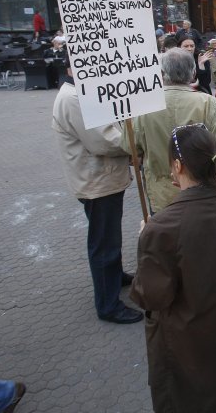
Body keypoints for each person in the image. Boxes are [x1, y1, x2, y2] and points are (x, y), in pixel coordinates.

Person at [130, 125, 216, 413]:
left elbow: (150, 296)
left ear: (177, 165)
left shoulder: (162, 228)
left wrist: (145, 241)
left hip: (188, 346)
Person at [51, 53, 141, 324]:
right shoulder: (74, 98)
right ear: (71, 67)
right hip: (97, 182)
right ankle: (108, 304)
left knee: (108, 237)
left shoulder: (80, 93)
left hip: (102, 179)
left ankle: (114, 276)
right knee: (104, 243)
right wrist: (137, 143)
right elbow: (104, 141)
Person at [121, 48, 216, 214]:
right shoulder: (210, 104)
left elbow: (129, 148)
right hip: (203, 192)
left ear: (162, 73)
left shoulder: (142, 107)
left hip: (162, 194)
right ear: (194, 73)